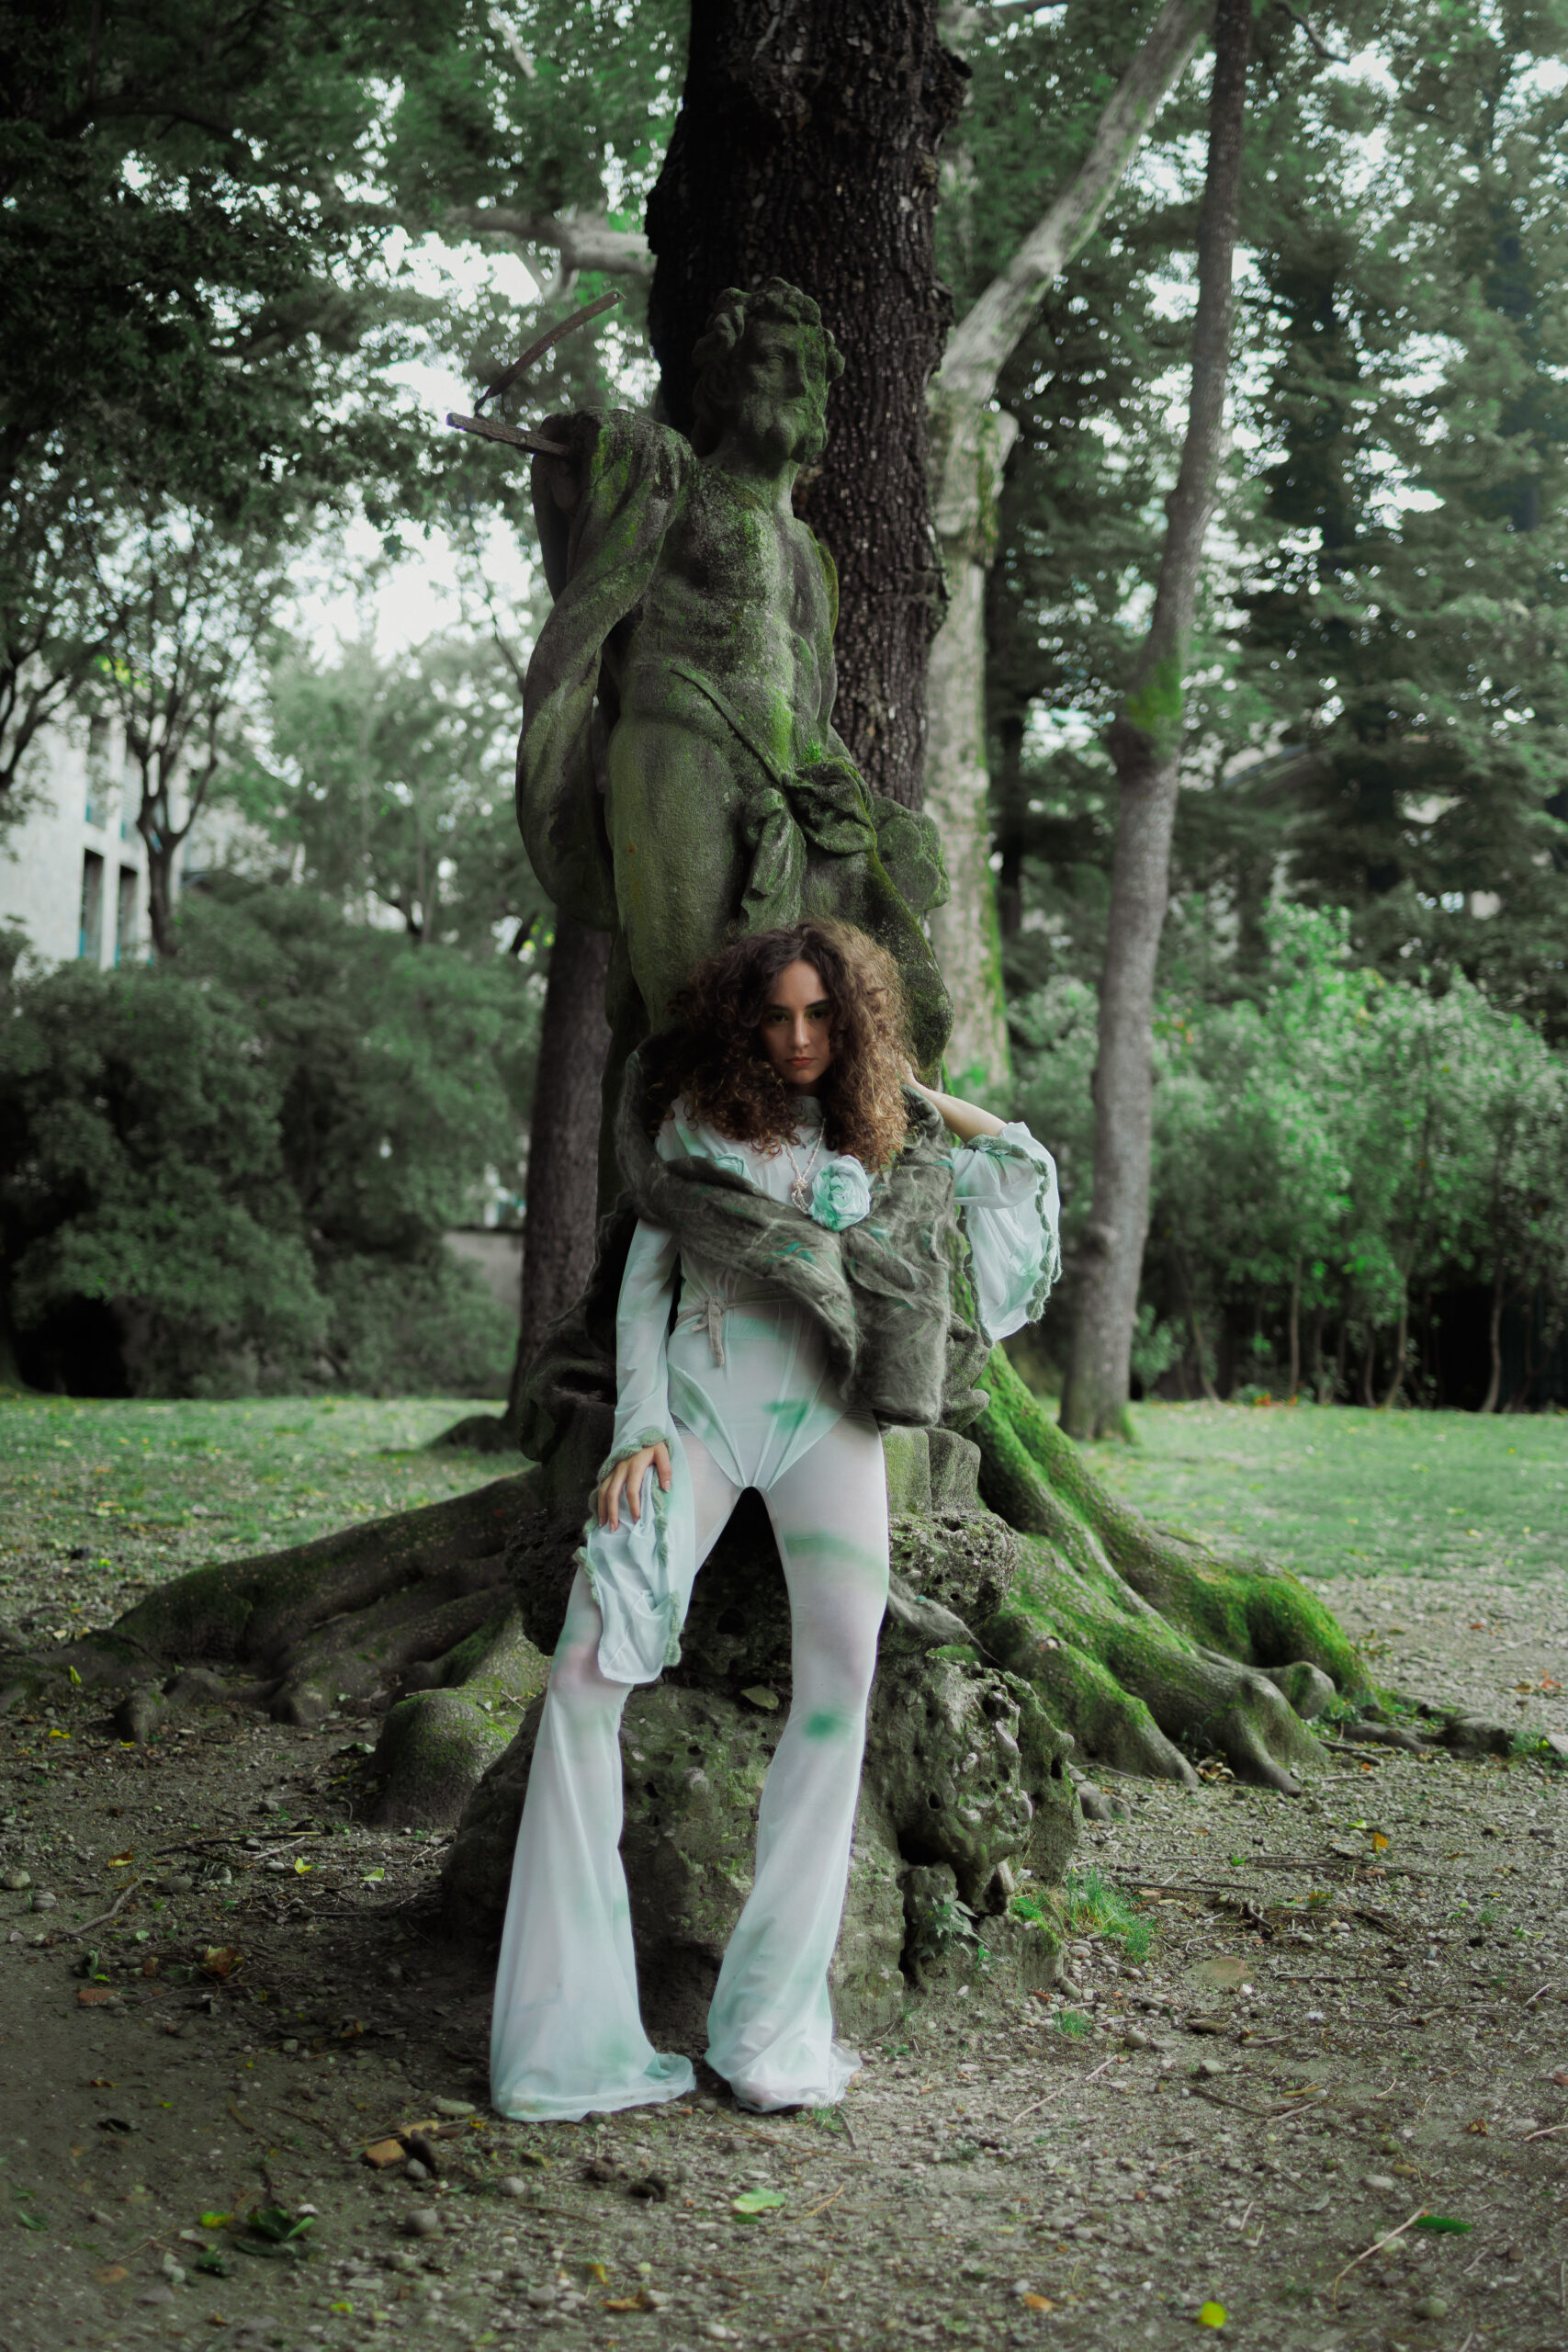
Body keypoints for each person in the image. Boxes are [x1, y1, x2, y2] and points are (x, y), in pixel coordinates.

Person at [490, 920, 1060, 2123]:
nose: (798, 1038)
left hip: (829, 1429)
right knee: (586, 1669)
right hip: (695, 1416)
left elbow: (1012, 1161)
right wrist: (638, 1428)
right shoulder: (692, 1128)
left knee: (838, 1694)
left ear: (849, 1022)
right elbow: (643, 1289)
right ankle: (570, 2029)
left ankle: (767, 2029)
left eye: (820, 1016)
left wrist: (907, 1093)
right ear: (741, 1023)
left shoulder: (877, 1141)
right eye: (777, 1016)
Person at [518, 279, 951, 1202]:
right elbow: (578, 489)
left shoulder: (813, 556)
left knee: (850, 1009)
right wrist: (602, 442)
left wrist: (854, 799)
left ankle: (808, 1212)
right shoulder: (676, 484)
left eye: (809, 371)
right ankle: (668, 1228)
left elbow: (814, 706)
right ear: (720, 379)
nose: (793, 383)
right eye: (770, 361)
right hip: (680, 757)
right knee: (695, 1010)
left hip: (790, 793)